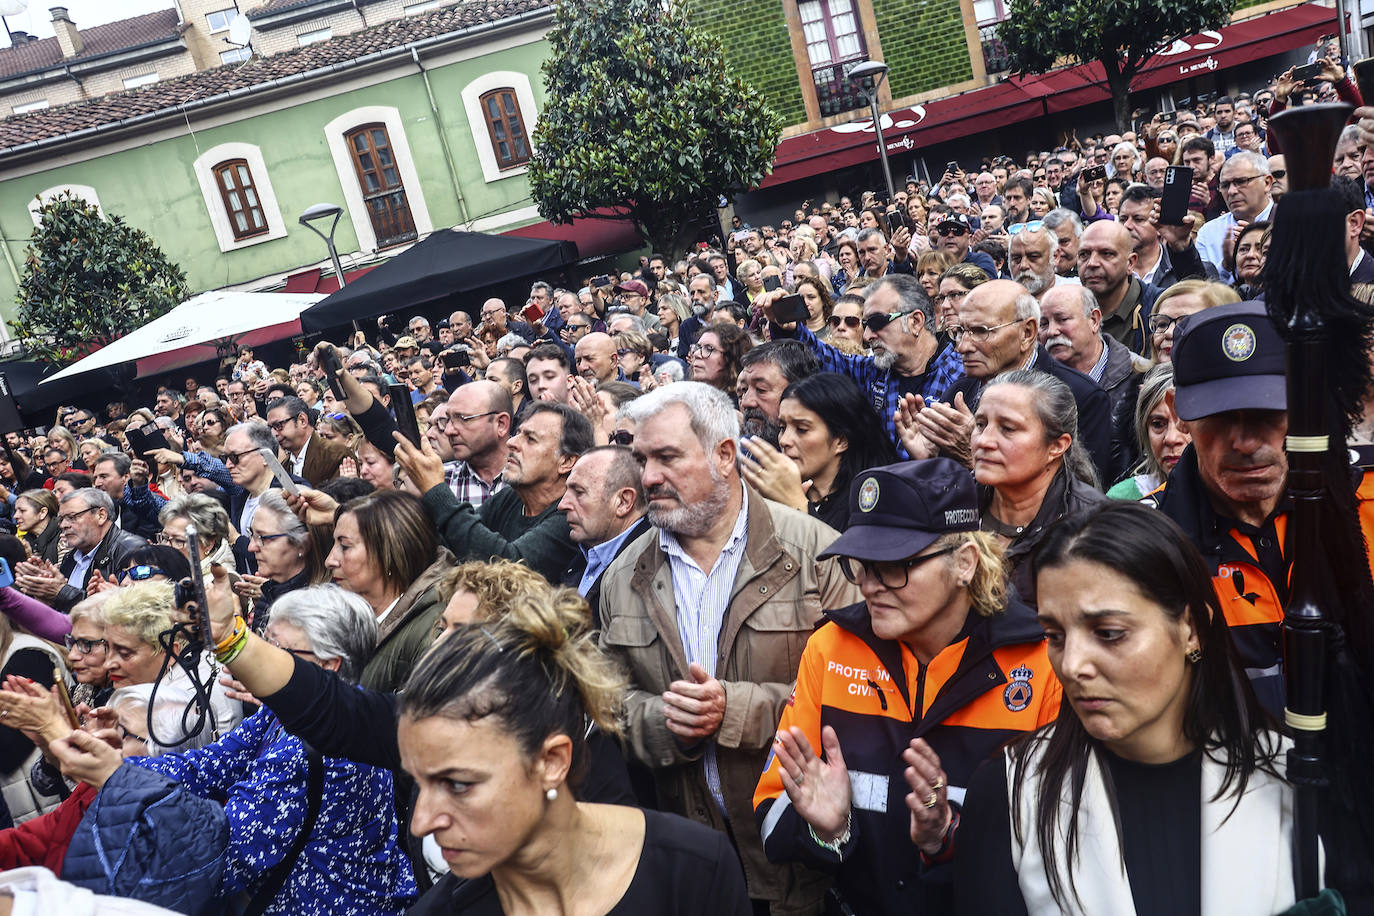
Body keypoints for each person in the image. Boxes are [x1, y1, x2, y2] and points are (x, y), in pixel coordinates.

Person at [957, 503, 1302, 915]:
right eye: (1054, 635)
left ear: (1192, 629)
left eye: (1109, 634)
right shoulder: (1012, 794)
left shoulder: (1290, 779)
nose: (1072, 666)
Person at [754, 458, 1061, 915]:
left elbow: (1062, 844)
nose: (871, 586)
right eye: (860, 565)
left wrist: (948, 840)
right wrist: (830, 831)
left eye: (894, 565)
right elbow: (772, 807)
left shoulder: (1039, 662)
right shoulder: (831, 647)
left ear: (964, 562)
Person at [598, 382, 861, 914]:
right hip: (696, 874)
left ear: (724, 455)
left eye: (668, 457)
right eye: (642, 459)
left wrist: (733, 710)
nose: (649, 477)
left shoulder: (818, 555)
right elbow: (606, 705)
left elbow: (861, 700)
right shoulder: (623, 575)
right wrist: (666, 721)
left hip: (801, 868)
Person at [60, 585, 419, 915]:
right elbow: (208, 765)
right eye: (264, 639)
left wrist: (118, 778)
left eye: (279, 650)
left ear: (328, 665)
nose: (260, 654)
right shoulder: (279, 716)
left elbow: (225, 854)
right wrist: (121, 763)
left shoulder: (310, 748)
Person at [398, 589, 751, 913]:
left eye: (458, 785)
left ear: (552, 761)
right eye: (419, 783)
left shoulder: (693, 871)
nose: (422, 822)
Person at [1153, 301, 1292, 712]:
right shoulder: (1149, 544)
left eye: (1267, 415)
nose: (1245, 443)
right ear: (1179, 414)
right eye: (1219, 417)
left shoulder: (1361, 509)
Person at [908, 280, 1115, 487]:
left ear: (1027, 333)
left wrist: (976, 455)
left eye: (981, 331)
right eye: (960, 331)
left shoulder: (1083, 397)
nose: (962, 346)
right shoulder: (959, 393)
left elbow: (1081, 496)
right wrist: (929, 462)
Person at [767, 275, 965, 457]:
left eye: (877, 322)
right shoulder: (873, 372)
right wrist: (789, 328)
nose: (868, 335)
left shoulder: (962, 377)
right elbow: (821, 359)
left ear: (915, 321)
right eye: (866, 324)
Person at [395, 401, 589, 584]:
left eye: (530, 439)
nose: (512, 442)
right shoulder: (512, 498)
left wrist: (434, 489)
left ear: (566, 461)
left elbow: (510, 569)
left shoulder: (571, 516)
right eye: (517, 433)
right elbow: (451, 542)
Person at [969, 371, 1104, 606]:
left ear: (1057, 446)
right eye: (980, 424)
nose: (983, 441)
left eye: (1008, 429)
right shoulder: (951, 504)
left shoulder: (1093, 526)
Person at [739, 372, 898, 531]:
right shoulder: (774, 495)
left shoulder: (870, 501)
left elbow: (839, 555)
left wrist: (798, 506)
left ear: (840, 441)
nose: (784, 440)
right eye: (782, 428)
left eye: (801, 429)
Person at [326, 490, 450, 693]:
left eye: (345, 546)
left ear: (390, 554)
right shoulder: (344, 610)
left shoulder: (435, 628)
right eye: (335, 544)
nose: (329, 560)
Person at [101, 581, 239, 737]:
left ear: (170, 653)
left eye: (125, 653)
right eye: (106, 646)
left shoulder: (181, 706)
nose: (107, 664)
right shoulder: (190, 667)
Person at [557, 446, 651, 625]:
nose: (562, 504)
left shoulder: (648, 572)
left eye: (579, 492)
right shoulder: (581, 556)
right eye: (567, 491)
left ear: (623, 502)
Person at [19, 489, 146, 613]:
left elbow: (136, 612)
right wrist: (45, 591)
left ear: (101, 515)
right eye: (61, 519)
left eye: (72, 517)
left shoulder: (132, 551)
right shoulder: (72, 555)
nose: (64, 525)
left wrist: (61, 592)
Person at [1037, 285, 1146, 413]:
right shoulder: (1031, 382)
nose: (1051, 332)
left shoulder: (1140, 375)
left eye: (1062, 319)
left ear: (1094, 320)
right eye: (1044, 324)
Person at [237, 490, 321, 631]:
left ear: (302, 544)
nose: (251, 547)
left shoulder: (315, 611)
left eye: (263, 538)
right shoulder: (268, 594)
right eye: (252, 534)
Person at [1107, 363, 1189, 501]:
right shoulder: (1122, 500)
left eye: (1185, 423)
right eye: (1157, 424)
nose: (1171, 438)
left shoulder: (1232, 498)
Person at [1146, 279, 1240, 363]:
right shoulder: (1135, 380)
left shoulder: (1244, 382)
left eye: (1185, 323)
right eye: (1162, 324)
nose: (1169, 333)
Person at [265, 395, 350, 487]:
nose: (274, 433)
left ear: (302, 420)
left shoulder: (336, 454)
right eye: (270, 428)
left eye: (278, 425)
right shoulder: (284, 466)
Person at [157, 492, 234, 573]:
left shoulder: (220, 581)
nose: (166, 546)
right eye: (165, 538)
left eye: (179, 540)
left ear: (208, 543)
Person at [689, 324, 752, 397]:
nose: (696, 354)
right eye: (698, 347)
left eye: (709, 349)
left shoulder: (744, 403)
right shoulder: (688, 399)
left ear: (730, 357)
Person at [13, 491, 59, 565]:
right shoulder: (25, 541)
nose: (15, 516)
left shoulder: (63, 538)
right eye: (15, 511)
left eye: (22, 511)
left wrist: (30, 558)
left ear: (43, 512)